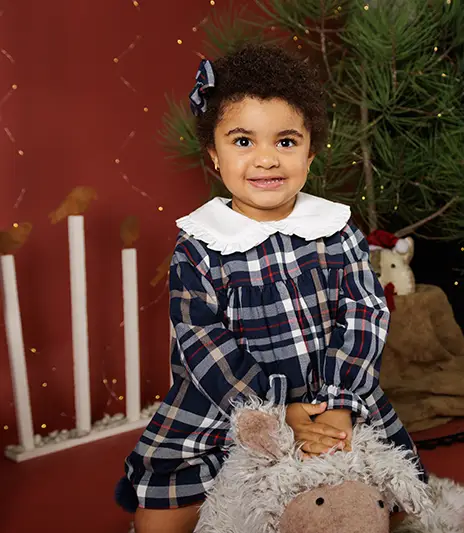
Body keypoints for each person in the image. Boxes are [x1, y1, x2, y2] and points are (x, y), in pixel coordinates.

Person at [114, 43, 426, 533]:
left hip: (329, 395)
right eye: (243, 141)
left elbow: (365, 313)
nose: (266, 159)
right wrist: (276, 413)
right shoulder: (199, 245)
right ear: (214, 155)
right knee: (160, 523)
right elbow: (203, 342)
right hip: (228, 405)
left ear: (310, 150)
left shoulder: (336, 230)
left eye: (285, 141)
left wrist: (339, 404)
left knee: (390, 507)